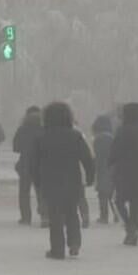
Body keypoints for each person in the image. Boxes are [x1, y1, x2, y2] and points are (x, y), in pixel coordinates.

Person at [30, 102, 96, 259]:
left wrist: (37, 181)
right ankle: (74, 243)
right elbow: (87, 159)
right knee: (72, 212)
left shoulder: (42, 137)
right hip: (72, 180)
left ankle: (57, 249)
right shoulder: (75, 136)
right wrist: (90, 176)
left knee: (55, 216)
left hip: (50, 181)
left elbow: (34, 163)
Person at [110, 103, 138, 246]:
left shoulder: (122, 131)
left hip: (124, 172)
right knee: (136, 203)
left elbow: (114, 152)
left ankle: (129, 227)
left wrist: (111, 162)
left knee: (118, 201)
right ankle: (136, 230)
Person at [13, 106, 44, 226]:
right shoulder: (44, 129)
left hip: (25, 163)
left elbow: (15, 147)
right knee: (41, 191)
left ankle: (26, 217)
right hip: (40, 164)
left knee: (24, 192)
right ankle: (44, 215)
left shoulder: (22, 129)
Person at [91, 115, 116, 225]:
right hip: (113, 169)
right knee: (112, 195)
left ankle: (104, 216)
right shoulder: (112, 138)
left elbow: (97, 156)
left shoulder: (98, 139)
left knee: (102, 195)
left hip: (102, 169)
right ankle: (116, 214)